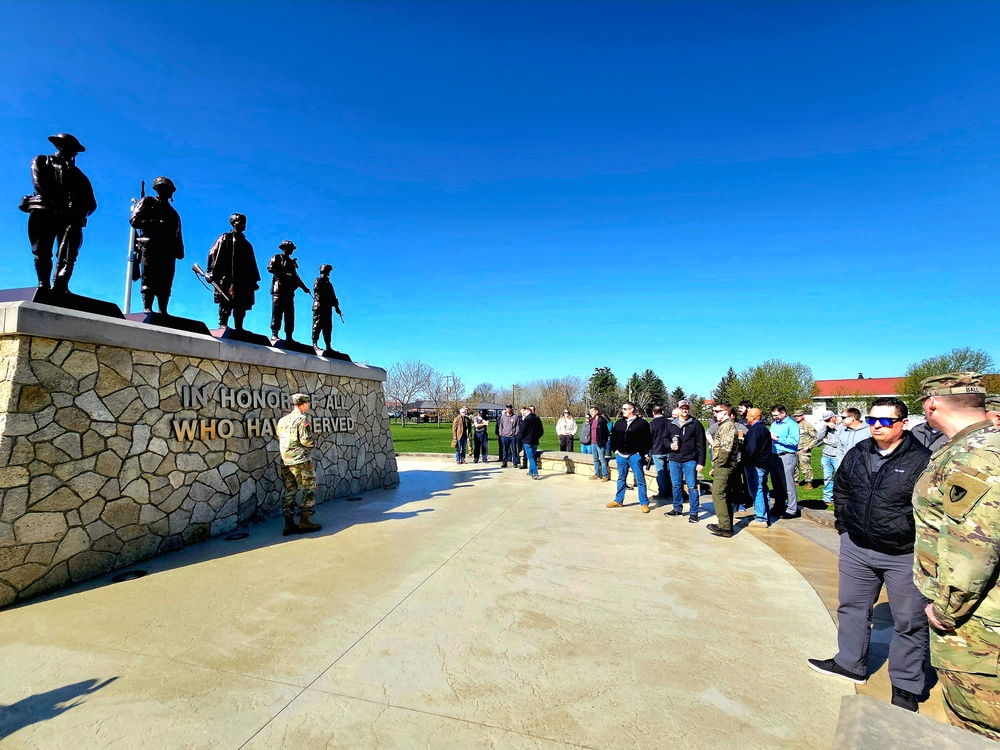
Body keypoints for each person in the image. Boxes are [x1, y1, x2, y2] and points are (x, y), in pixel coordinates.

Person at [808, 397, 931, 712]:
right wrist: (844, 529)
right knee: (851, 608)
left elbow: (932, 510)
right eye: (873, 419)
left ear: (903, 424)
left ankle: (905, 685)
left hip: (903, 554)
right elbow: (842, 489)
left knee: (909, 620)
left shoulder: (922, 460)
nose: (877, 425)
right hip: (857, 548)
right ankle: (850, 662)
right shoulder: (858, 453)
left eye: (886, 420)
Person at [912, 372, 1000, 739]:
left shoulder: (974, 456)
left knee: (977, 725)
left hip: (978, 624)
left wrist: (947, 609)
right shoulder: (984, 443)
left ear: (931, 404)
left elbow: (975, 548)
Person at [26, 133, 97, 292]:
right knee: (42, 250)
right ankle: (43, 284)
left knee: (69, 254)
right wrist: (61, 205)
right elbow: (40, 184)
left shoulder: (79, 176)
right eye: (70, 147)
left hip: (71, 218)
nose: (73, 152)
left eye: (74, 150)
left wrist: (80, 211)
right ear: (59, 145)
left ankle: (60, 284)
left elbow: (91, 204)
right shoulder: (42, 161)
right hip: (45, 211)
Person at [129, 176, 183, 314]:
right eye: (166, 189)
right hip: (151, 246)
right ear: (158, 189)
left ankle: (163, 310)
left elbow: (178, 233)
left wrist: (179, 248)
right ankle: (147, 308)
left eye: (171, 190)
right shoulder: (147, 202)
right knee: (149, 277)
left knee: (166, 280)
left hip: (168, 250)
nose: (169, 192)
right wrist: (155, 223)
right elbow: (134, 220)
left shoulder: (174, 213)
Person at [276, 393, 322, 536]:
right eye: (307, 403)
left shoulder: (282, 420)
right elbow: (306, 440)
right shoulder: (302, 420)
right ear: (303, 404)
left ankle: (288, 524)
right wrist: (314, 445)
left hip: (286, 461)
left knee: (290, 491)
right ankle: (304, 520)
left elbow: (279, 435)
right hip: (300, 461)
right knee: (309, 489)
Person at [206, 213, 260, 330]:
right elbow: (214, 253)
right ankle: (223, 323)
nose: (243, 225)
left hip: (243, 281)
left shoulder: (247, 244)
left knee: (241, 303)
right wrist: (211, 272)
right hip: (228, 277)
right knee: (226, 301)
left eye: (244, 223)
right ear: (233, 223)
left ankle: (239, 327)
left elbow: (251, 263)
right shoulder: (225, 238)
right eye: (240, 222)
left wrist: (253, 280)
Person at [665, 400, 706, 523]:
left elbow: (701, 444)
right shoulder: (671, 424)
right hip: (674, 460)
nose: (684, 410)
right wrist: (670, 445)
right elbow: (664, 439)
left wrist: (701, 462)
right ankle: (677, 508)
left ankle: (693, 512)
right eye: (682, 408)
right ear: (678, 409)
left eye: (686, 408)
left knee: (692, 486)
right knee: (676, 485)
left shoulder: (695, 424)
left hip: (690, 460)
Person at [607, 402, 652, 512]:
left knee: (640, 479)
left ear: (632, 410)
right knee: (621, 478)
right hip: (621, 455)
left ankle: (644, 503)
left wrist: (641, 453)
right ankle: (618, 500)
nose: (623, 410)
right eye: (622, 408)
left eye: (625, 409)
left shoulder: (642, 423)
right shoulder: (619, 423)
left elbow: (648, 439)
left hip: (635, 456)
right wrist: (615, 450)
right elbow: (613, 437)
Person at [706, 403, 740, 538]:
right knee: (725, 494)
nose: (715, 413)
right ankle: (727, 525)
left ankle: (724, 527)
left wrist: (718, 465)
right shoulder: (724, 426)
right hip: (724, 465)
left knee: (718, 493)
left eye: (717, 411)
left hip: (725, 466)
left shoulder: (728, 426)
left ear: (725, 413)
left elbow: (726, 449)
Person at [267, 240, 310, 341]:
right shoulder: (276, 257)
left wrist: (304, 288)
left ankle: (289, 337)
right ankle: (274, 334)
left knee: (290, 315)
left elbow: (296, 277)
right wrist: (286, 274)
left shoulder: (291, 262)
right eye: (290, 249)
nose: (291, 251)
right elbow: (270, 268)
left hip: (289, 292)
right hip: (279, 289)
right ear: (284, 248)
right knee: (277, 312)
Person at [769, 404, 801, 520]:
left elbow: (794, 441)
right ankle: (779, 505)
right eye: (773, 415)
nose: (775, 418)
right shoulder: (774, 424)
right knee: (776, 484)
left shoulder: (791, 425)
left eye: (777, 415)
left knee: (787, 483)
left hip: (786, 455)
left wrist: (777, 439)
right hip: (774, 456)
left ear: (783, 413)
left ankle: (792, 509)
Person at [743, 408, 772, 526]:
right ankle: (766, 514)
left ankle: (761, 518)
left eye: (748, 415)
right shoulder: (764, 429)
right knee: (764, 489)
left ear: (754, 417)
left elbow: (752, 449)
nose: (746, 417)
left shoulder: (755, 430)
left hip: (755, 465)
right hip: (764, 464)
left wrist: (747, 461)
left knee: (757, 490)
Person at [311, 263, 342, 351]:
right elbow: (318, 291)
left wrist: (337, 307)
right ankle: (314, 344)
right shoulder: (318, 280)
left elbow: (333, 296)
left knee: (328, 327)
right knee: (317, 325)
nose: (329, 273)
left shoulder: (329, 284)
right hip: (320, 306)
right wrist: (329, 298)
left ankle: (328, 346)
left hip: (327, 308)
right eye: (328, 271)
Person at [648, 405, 673, 501]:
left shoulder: (652, 424)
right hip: (669, 450)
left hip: (657, 450)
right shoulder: (669, 422)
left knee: (661, 473)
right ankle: (671, 491)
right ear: (662, 412)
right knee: (670, 472)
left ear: (653, 413)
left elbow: (649, 439)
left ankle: (663, 492)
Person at [817, 411, 840, 505]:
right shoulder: (827, 427)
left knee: (839, 478)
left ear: (834, 417)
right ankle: (827, 497)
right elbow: (819, 437)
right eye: (824, 420)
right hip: (826, 455)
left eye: (827, 419)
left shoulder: (842, 426)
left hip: (837, 456)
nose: (826, 421)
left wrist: (827, 442)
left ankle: (840, 497)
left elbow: (840, 443)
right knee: (827, 477)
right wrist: (825, 426)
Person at [792, 410, 818, 488]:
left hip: (804, 449)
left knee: (805, 466)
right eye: (795, 416)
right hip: (794, 448)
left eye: (798, 416)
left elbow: (816, 437)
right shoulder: (793, 425)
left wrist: (809, 447)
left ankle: (809, 482)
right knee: (794, 466)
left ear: (803, 416)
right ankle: (795, 481)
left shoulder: (807, 425)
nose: (796, 417)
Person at [518, 406, 544, 479]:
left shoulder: (527, 419)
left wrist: (523, 437)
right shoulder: (537, 418)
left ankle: (535, 473)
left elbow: (522, 431)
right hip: (535, 441)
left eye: (525, 412)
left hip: (527, 441)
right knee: (532, 455)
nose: (524, 414)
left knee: (531, 457)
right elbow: (541, 431)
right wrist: (537, 437)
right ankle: (530, 471)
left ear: (528, 412)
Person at [589, 406, 610, 481]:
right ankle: (597, 474)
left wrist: (603, 441)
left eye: (592, 411)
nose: (591, 413)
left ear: (596, 412)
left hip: (600, 443)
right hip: (593, 443)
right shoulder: (591, 421)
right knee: (595, 459)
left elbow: (606, 433)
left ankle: (605, 475)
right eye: (590, 411)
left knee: (602, 459)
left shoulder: (602, 421)